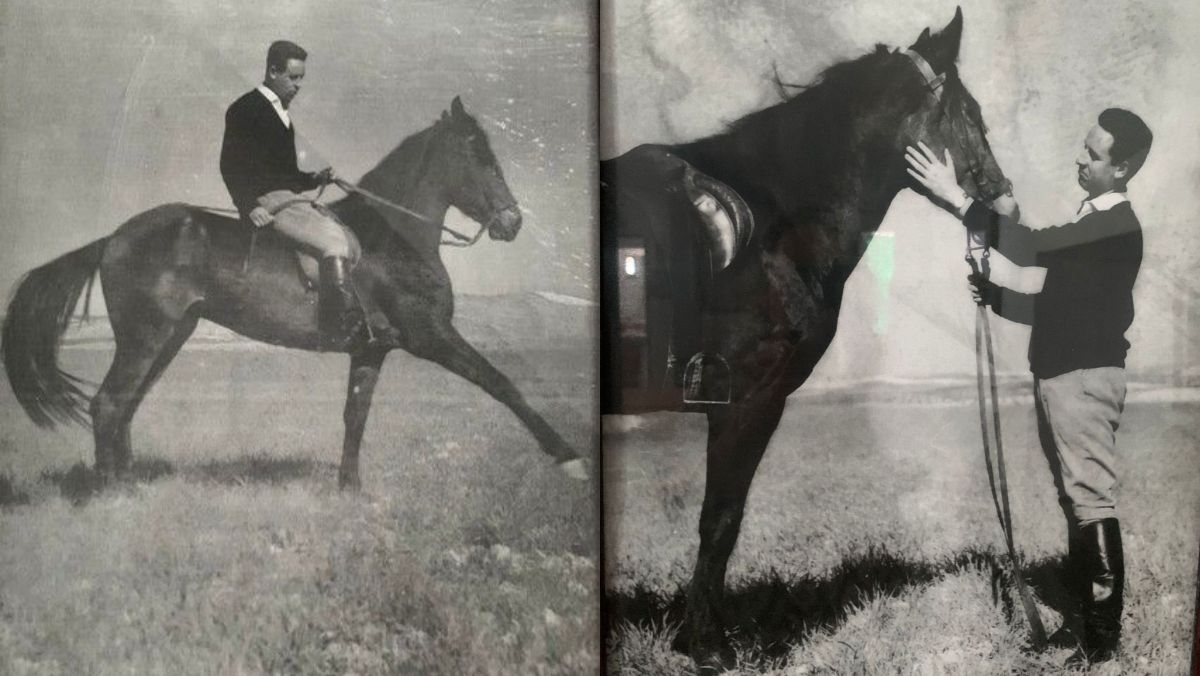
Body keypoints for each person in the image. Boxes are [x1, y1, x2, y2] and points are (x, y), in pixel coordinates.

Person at [905, 108, 1153, 663]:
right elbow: (1055, 307)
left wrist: (956, 198)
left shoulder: (1112, 223)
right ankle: (1088, 628)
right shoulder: (1096, 222)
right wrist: (995, 297)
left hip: (1082, 381)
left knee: (1089, 502)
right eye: (1085, 148)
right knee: (1076, 501)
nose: (1081, 160)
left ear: (1123, 168)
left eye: (1094, 155)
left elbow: (1030, 246)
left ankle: (1103, 649)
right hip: (1063, 375)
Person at [220, 40, 364, 351]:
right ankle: (337, 328)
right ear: (273, 71)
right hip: (270, 203)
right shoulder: (245, 109)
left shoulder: (282, 115)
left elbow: (285, 175)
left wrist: (315, 178)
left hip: (288, 197)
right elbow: (229, 164)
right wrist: (247, 206)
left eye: (301, 78)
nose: (298, 86)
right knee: (334, 242)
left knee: (344, 234)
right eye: (293, 77)